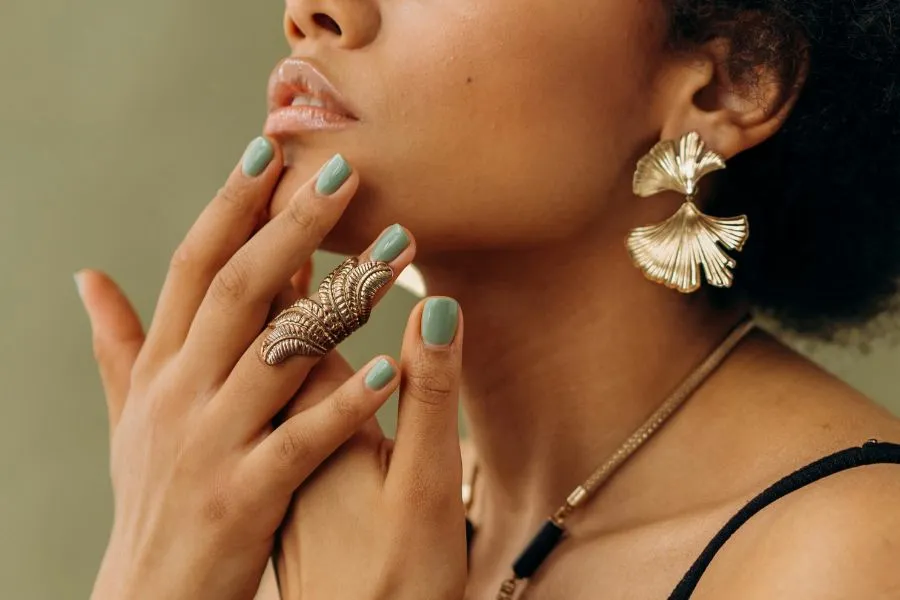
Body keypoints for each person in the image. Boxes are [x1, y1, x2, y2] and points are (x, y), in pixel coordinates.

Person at [75, 0, 900, 598]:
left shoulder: (855, 553)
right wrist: (150, 572)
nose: (313, 12)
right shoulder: (300, 520)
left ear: (730, 81)